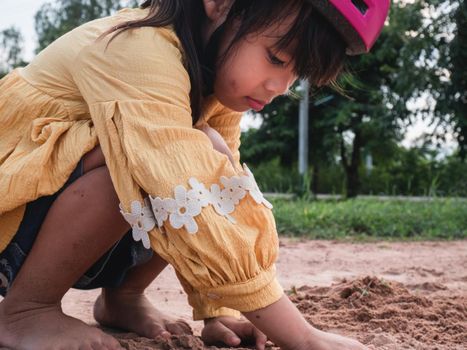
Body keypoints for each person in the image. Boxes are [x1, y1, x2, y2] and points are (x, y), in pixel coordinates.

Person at [0, 0, 390, 349]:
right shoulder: (139, 46)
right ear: (220, 5)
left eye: (296, 73)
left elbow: (219, 194)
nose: (279, 86)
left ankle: (123, 297)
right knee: (156, 162)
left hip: (51, 213)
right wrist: (301, 337)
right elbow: (180, 178)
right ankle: (25, 311)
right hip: (11, 206)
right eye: (275, 57)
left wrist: (216, 309)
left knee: (203, 159)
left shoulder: (214, 83)